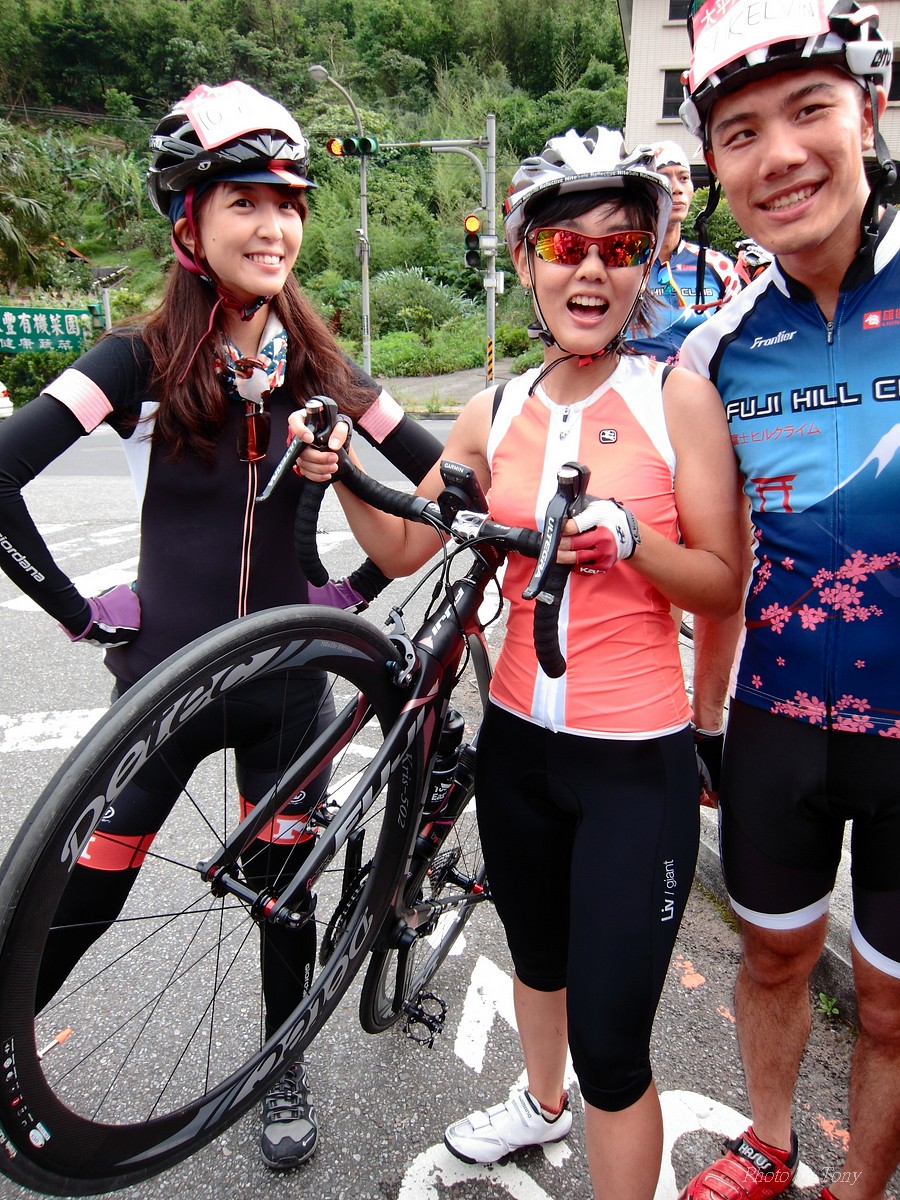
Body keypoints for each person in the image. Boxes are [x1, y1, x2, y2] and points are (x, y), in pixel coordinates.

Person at [293, 127, 744, 1200]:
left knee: (616, 1052)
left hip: (635, 767)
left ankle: (582, 1109)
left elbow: (724, 582)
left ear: (646, 263)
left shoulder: (675, 398)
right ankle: (539, 1105)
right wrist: (342, 467)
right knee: (536, 959)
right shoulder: (495, 411)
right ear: (526, 260)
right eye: (564, 245)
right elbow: (405, 545)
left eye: (619, 247)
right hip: (519, 751)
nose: (591, 269)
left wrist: (633, 541)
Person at [0, 80, 442, 1172]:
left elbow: (447, 484)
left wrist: (350, 590)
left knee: (284, 898)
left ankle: (281, 1061)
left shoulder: (322, 364)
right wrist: (76, 612)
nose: (274, 225)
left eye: (289, 203)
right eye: (245, 201)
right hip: (165, 686)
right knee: (86, 890)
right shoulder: (138, 357)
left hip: (291, 688)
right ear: (188, 223)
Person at [676, 2, 900, 1197]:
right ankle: (770, 1141)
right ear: (715, 167)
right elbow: (722, 567)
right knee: (771, 958)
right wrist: (705, 720)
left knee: (893, 1007)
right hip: (778, 719)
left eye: (810, 109)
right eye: (741, 132)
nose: (780, 156)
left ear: (869, 110)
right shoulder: (715, 352)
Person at [627, 139, 743, 363]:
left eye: (684, 178)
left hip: (699, 382)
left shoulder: (718, 266)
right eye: (663, 177)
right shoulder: (619, 261)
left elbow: (737, 345)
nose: (677, 188)